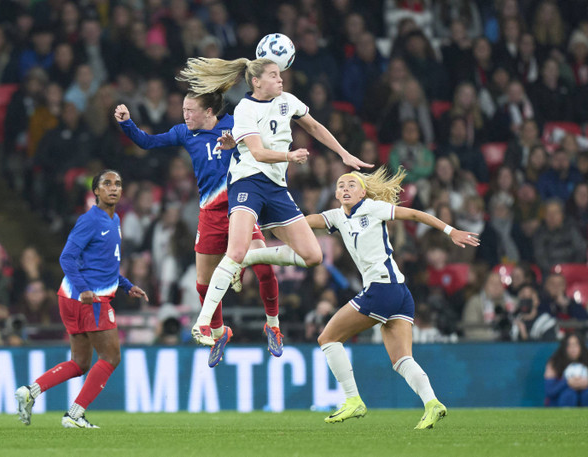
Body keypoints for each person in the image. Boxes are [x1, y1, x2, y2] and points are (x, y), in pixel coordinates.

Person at [176, 57, 371, 354]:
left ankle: (253, 276)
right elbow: (256, 152)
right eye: (274, 75)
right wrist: (289, 157)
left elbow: (315, 126)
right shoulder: (244, 109)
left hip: (277, 189)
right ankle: (204, 322)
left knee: (313, 256)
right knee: (237, 250)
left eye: (280, 75)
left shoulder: (288, 100)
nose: (281, 80)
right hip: (247, 184)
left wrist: (344, 154)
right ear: (256, 82)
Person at [114, 89, 281, 368]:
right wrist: (127, 123)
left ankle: (273, 326)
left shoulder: (237, 123)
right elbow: (147, 142)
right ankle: (219, 333)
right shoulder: (184, 132)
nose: (185, 115)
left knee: (264, 267)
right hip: (209, 215)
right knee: (203, 283)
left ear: (208, 112)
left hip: (239, 208)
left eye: (190, 110)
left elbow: (263, 143)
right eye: (183, 110)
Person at [304, 169, 479, 426]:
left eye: (352, 184)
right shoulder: (336, 217)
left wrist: (450, 231)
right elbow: (301, 222)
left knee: (327, 338)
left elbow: (415, 214)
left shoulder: (373, 208)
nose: (345, 188)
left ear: (363, 192)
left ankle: (353, 401)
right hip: (399, 292)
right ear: (335, 193)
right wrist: (265, 220)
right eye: (341, 185)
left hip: (382, 290)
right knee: (401, 360)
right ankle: (432, 403)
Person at [14, 170, 148, 429]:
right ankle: (74, 415)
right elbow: (66, 257)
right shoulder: (91, 220)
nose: (113, 188)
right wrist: (84, 288)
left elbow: (105, 265)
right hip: (89, 299)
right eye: (107, 184)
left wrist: (127, 285)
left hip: (72, 297)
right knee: (110, 357)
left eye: (118, 184)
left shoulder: (114, 219)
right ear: (96, 191)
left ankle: (30, 392)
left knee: (80, 363)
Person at [545, 333, 588, 407]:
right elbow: (550, 391)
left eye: (576, 345)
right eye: (569, 345)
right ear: (564, 347)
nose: (573, 349)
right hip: (559, 401)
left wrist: (585, 383)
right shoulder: (555, 362)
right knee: (569, 394)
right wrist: (567, 382)